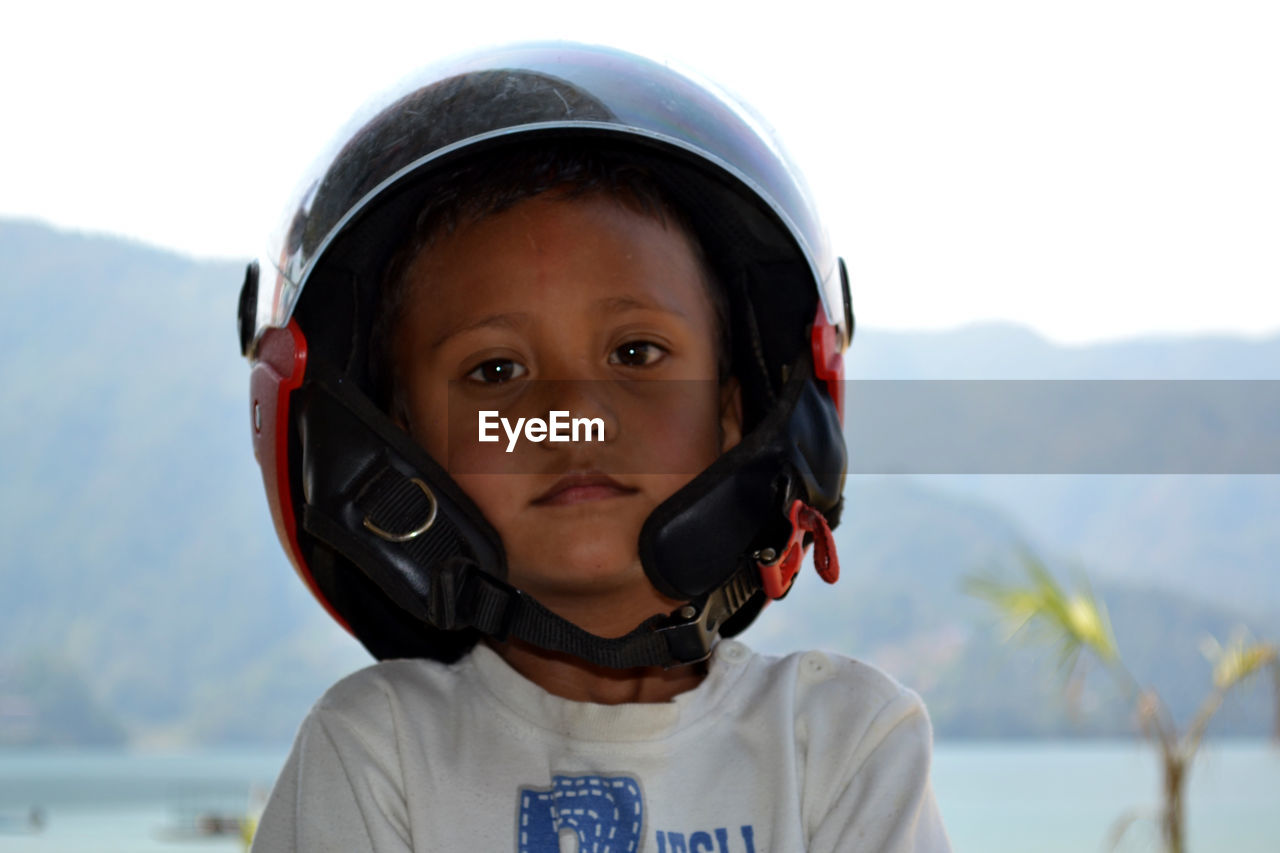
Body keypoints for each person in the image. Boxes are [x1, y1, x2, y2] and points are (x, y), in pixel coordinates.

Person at [238, 43, 951, 852]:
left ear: (732, 413)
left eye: (636, 353)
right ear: (398, 454)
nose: (573, 410)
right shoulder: (376, 753)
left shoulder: (843, 743)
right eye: (496, 370)